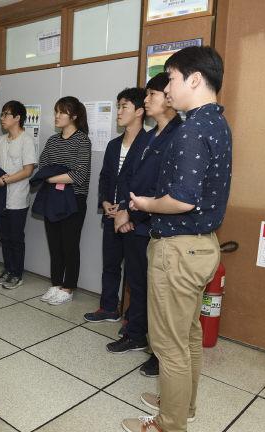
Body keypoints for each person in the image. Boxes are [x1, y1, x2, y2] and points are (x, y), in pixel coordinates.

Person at [121, 46, 232, 432]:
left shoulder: (192, 130)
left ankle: (169, 423)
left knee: (168, 344)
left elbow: (182, 199)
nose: (167, 88)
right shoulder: (217, 124)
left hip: (179, 248)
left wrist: (146, 202)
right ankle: (182, 405)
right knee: (187, 335)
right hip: (203, 245)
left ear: (195, 79)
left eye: (170, 78)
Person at [116, 74, 183, 378]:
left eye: (152, 94)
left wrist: (133, 216)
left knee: (160, 295)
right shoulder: (148, 136)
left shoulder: (179, 135)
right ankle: (136, 334)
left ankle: (160, 353)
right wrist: (121, 211)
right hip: (134, 219)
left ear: (170, 98)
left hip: (153, 224)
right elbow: (127, 175)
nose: (146, 100)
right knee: (138, 284)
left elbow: (165, 188)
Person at [84, 88, 147, 324]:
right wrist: (105, 201)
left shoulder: (149, 144)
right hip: (111, 216)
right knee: (110, 266)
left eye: (124, 107)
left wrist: (127, 211)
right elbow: (105, 177)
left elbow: (146, 184)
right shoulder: (113, 145)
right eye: (118, 106)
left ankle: (134, 317)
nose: (118, 112)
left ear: (140, 111)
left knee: (135, 272)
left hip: (134, 219)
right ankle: (108, 307)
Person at [37, 96, 91, 305]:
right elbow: (43, 165)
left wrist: (51, 177)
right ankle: (56, 284)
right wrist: (57, 174)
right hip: (53, 199)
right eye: (56, 111)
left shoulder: (82, 140)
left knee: (70, 245)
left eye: (62, 112)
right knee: (55, 245)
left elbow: (79, 175)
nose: (57, 116)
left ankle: (68, 288)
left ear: (74, 116)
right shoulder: (53, 140)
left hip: (74, 199)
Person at [0, 100, 36, 289]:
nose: (2, 118)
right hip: (1, 197)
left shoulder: (26, 139)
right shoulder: (0, 141)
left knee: (16, 237)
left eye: (6, 114)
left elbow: (28, 170)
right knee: (4, 237)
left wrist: (6, 180)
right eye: (2, 114)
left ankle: (17, 273)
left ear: (17, 118)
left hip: (18, 198)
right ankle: (8, 269)